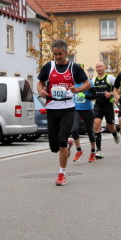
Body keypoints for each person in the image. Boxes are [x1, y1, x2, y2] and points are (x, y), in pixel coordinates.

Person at [37, 39, 90, 186]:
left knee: (61, 141)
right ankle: (68, 143)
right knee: (54, 147)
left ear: (66, 52)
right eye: (55, 54)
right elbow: (40, 82)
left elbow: (87, 84)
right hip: (52, 107)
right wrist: (40, 91)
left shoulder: (74, 67)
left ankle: (62, 174)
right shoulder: (49, 66)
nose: (58, 57)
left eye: (60, 54)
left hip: (68, 107)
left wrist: (77, 89)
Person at [90, 62, 119, 159]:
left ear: (104, 67)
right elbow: (91, 92)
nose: (99, 68)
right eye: (97, 67)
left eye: (101, 66)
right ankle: (99, 150)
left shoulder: (110, 78)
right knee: (96, 126)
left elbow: (118, 89)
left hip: (108, 105)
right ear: (96, 69)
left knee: (110, 127)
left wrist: (111, 94)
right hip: (98, 105)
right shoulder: (93, 80)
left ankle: (114, 133)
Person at [70, 79, 97, 163]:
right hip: (76, 110)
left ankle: (93, 152)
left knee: (89, 131)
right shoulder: (72, 82)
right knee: (74, 130)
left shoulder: (88, 82)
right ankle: (79, 151)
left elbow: (94, 96)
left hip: (87, 109)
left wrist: (84, 96)